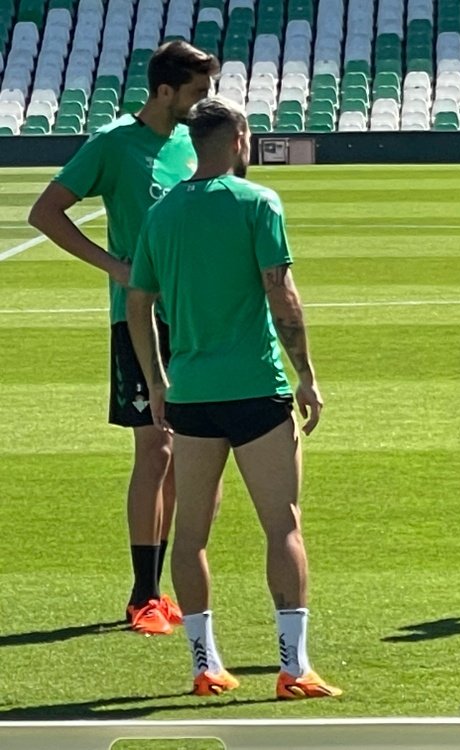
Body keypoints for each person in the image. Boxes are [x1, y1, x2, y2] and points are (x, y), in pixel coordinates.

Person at [126, 96, 340, 699]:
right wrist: (308, 374)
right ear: (240, 138)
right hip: (255, 388)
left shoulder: (161, 215)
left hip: (192, 395)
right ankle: (294, 669)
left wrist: (158, 381)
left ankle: (205, 664)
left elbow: (137, 303)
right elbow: (283, 296)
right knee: (283, 526)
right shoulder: (258, 202)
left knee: (190, 534)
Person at [28, 40, 218, 636]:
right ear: (165, 90)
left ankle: (160, 591)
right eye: (196, 91)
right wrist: (115, 266)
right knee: (155, 448)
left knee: (182, 452)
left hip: (195, 317)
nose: (203, 101)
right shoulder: (113, 143)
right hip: (138, 317)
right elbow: (47, 212)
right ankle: (143, 594)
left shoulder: (196, 141)